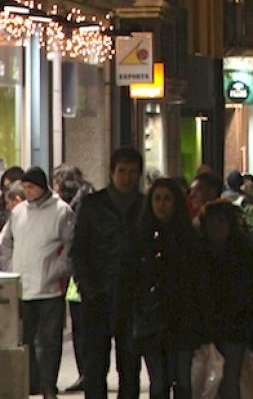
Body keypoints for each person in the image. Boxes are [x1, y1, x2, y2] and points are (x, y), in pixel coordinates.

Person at [71, 147, 145, 399]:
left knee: (130, 365)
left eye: (132, 172)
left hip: (132, 298)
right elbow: (78, 251)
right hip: (97, 296)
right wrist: (88, 288)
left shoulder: (144, 207)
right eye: (122, 171)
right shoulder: (93, 205)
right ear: (112, 173)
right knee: (95, 366)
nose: (127, 177)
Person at [1, 167, 75, 399]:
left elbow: (71, 246)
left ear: (42, 187)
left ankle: (47, 386)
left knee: (50, 342)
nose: (27, 191)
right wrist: (11, 268)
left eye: (31, 187)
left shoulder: (62, 211)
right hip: (23, 287)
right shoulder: (19, 213)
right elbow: (6, 243)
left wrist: (58, 270)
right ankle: (30, 383)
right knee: (26, 341)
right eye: (25, 187)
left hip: (49, 288)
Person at [133, 179, 208, 399]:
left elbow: (197, 280)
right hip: (150, 319)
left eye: (167, 199)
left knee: (182, 379)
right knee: (158, 381)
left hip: (182, 319)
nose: (162, 205)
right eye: (157, 199)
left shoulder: (189, 238)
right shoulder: (141, 237)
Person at [200, 200, 253, 399]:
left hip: (234, 327)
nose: (217, 227)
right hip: (204, 326)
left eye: (221, 221)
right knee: (206, 381)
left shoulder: (243, 254)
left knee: (230, 380)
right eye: (212, 222)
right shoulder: (197, 253)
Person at [51, 164, 94, 393]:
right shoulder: (86, 197)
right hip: (82, 273)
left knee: (82, 325)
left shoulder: (76, 205)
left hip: (81, 274)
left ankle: (86, 372)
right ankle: (86, 372)